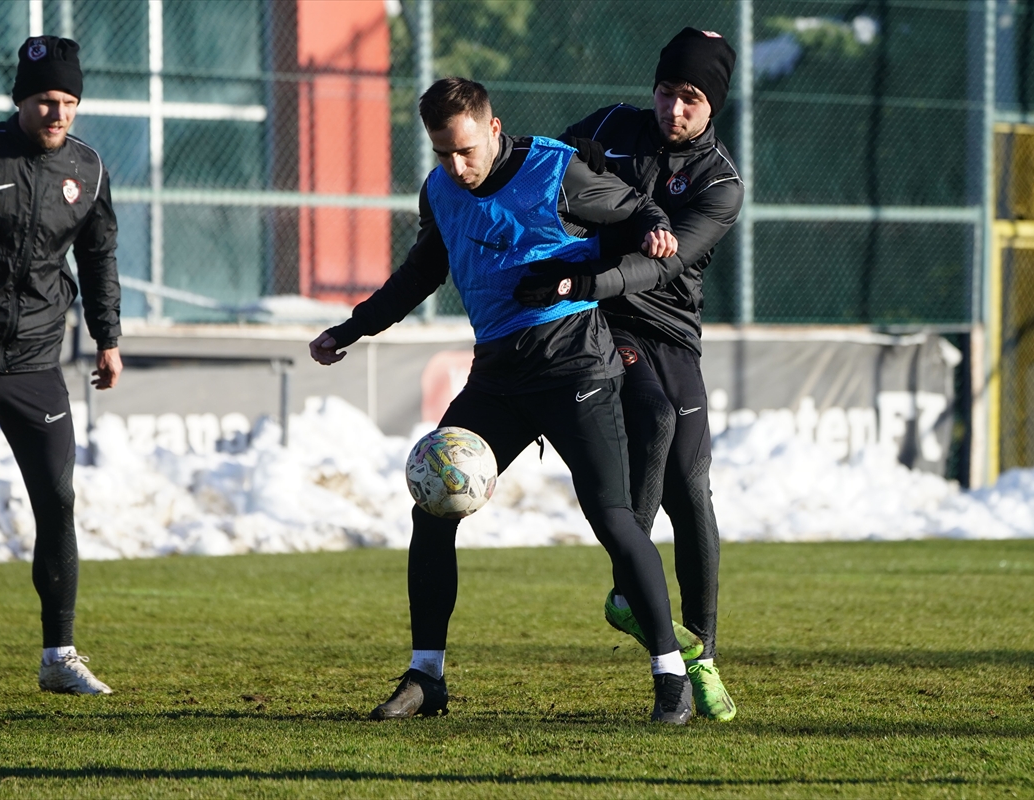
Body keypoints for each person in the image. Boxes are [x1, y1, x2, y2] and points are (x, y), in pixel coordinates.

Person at [310, 77, 697, 724]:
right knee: (431, 509)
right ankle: (426, 675)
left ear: (493, 129)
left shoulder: (553, 169)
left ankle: (671, 676)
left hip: (575, 363)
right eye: (442, 153)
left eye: (465, 149)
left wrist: (656, 228)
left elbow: (636, 211)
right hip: (497, 378)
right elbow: (422, 272)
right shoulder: (440, 191)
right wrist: (351, 329)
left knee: (611, 515)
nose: (455, 167)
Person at [514, 28, 744, 721]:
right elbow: (544, 172)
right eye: (670, 92)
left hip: (666, 326)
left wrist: (587, 275)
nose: (676, 109)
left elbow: (663, 266)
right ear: (654, 88)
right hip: (596, 318)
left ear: (714, 108)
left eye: (693, 99)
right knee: (656, 416)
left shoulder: (719, 184)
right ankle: (627, 591)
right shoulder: (609, 127)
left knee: (693, 486)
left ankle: (702, 653)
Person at [0, 36, 123, 695]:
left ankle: (59, 656)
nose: (59, 115)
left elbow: (99, 259)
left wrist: (107, 337)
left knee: (57, 499)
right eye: (47, 101)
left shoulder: (88, 169)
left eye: (70, 103)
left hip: (34, 361)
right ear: (21, 99)